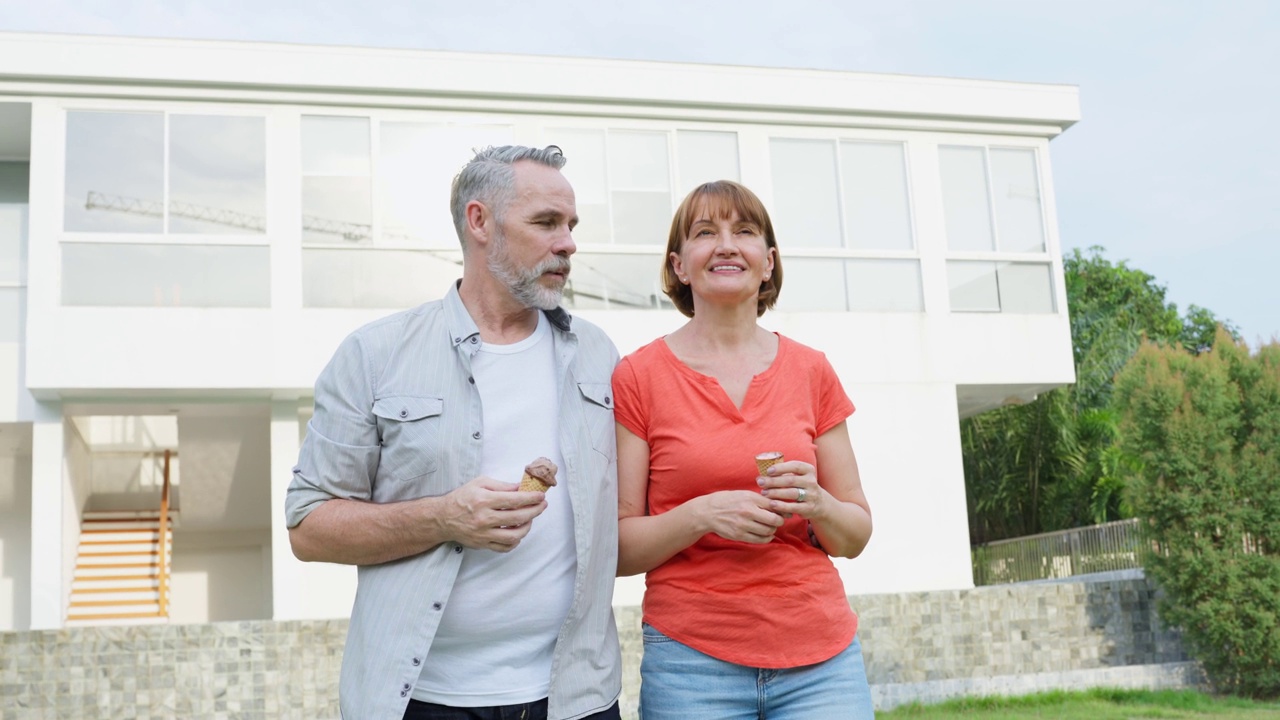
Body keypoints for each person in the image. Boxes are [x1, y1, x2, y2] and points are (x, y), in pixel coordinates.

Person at [285, 145, 623, 720]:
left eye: (570, 225)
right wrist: (444, 518)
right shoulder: (376, 353)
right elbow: (308, 527)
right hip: (421, 700)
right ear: (480, 222)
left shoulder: (598, 355)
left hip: (575, 698)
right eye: (545, 223)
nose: (567, 243)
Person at [612, 180, 876, 719]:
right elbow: (615, 549)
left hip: (821, 661)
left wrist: (818, 504)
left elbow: (855, 535)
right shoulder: (637, 377)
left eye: (745, 231)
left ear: (769, 262)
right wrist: (704, 514)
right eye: (705, 233)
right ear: (679, 266)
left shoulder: (812, 370)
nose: (727, 245)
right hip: (691, 662)